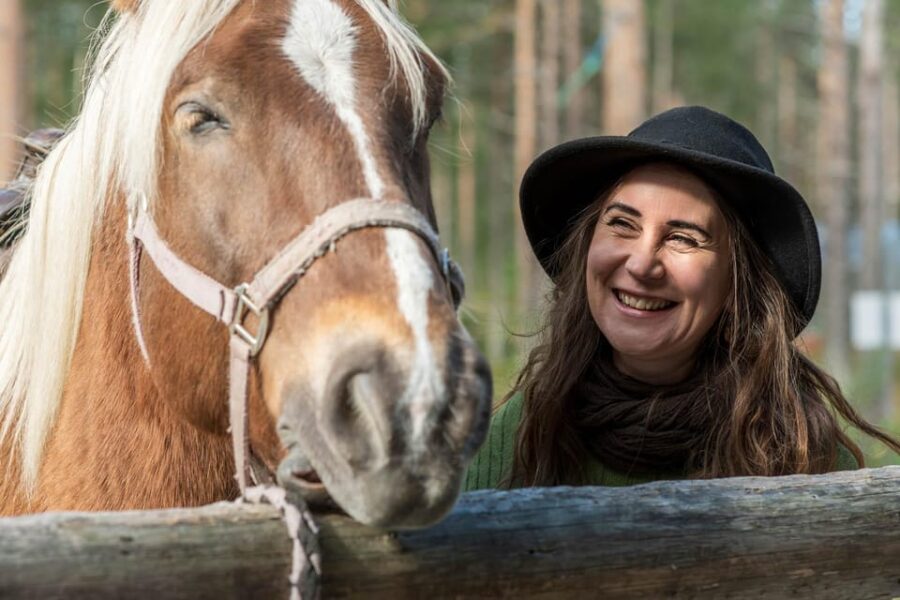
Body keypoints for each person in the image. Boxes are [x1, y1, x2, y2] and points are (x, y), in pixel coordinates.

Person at [466, 106, 900, 490]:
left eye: (683, 238)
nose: (641, 263)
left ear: (738, 283)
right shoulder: (520, 436)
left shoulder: (801, 454)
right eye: (622, 224)